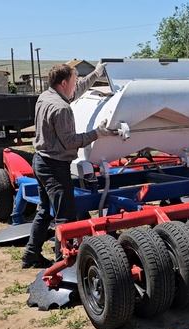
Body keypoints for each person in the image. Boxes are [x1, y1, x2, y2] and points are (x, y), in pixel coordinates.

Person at [22, 62, 118, 269]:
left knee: (45, 210)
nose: (76, 85)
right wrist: (97, 133)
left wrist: (96, 73)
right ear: (64, 83)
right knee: (64, 216)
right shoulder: (62, 108)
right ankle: (63, 264)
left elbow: (79, 89)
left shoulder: (46, 96)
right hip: (55, 167)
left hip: (40, 161)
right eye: (73, 81)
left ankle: (31, 254)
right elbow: (71, 141)